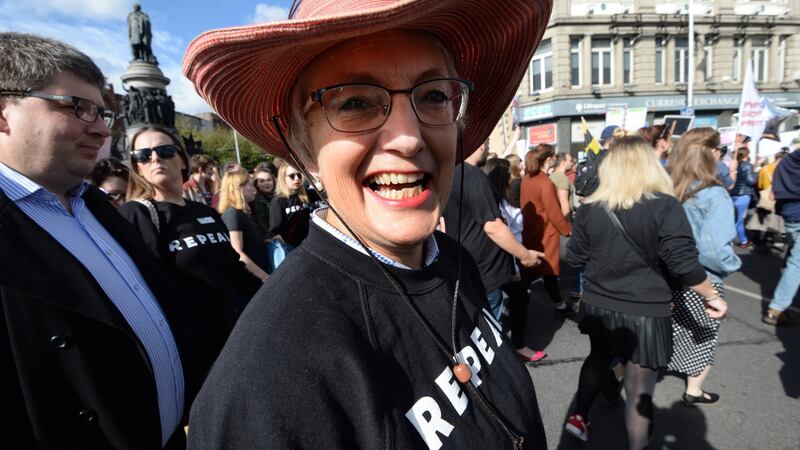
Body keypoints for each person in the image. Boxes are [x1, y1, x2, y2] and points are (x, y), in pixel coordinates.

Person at [183, 0, 552, 447]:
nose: (409, 137)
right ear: (303, 146)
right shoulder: (267, 384)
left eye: (434, 95)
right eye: (355, 101)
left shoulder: (452, 261)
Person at [0, 32, 196, 448]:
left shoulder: (96, 204)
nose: (100, 131)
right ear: (4, 113)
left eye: (103, 115)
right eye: (78, 109)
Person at [564, 136, 727, 449]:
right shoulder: (665, 206)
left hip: (599, 305)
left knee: (598, 357)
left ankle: (579, 416)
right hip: (646, 310)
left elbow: (574, 259)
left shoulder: (589, 209)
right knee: (639, 391)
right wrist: (712, 296)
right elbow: (683, 262)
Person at [119, 126, 262, 371]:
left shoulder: (205, 212)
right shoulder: (136, 214)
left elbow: (235, 271)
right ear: (137, 167)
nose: (154, 158)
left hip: (234, 339)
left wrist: (274, 291)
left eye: (164, 151)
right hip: (189, 353)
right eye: (143, 155)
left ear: (182, 160)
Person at [667, 128, 741, 405]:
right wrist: (734, 263)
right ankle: (694, 389)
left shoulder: (671, 189)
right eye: (719, 150)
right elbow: (715, 252)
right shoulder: (714, 194)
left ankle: (617, 374)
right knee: (704, 335)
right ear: (710, 153)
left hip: (671, 275)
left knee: (668, 332)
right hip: (703, 277)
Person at [482, 157, 547, 362]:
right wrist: (519, 262)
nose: (512, 176)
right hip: (503, 262)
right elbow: (500, 233)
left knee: (516, 299)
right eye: (509, 172)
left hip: (506, 261)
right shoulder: (492, 202)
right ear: (502, 176)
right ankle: (506, 354)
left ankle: (509, 348)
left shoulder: (499, 197)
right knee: (494, 310)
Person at [521, 144, 572, 311]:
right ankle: (559, 304)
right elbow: (554, 212)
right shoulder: (545, 182)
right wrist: (567, 229)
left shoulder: (527, 179)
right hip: (546, 232)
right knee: (548, 270)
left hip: (530, 230)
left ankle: (558, 304)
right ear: (549, 159)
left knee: (533, 268)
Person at [763, 145, 800, 326]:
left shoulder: (785, 163)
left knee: (794, 256)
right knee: (797, 262)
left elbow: (774, 191)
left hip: (790, 216)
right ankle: (776, 309)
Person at [218, 169, 269, 279]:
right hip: (250, 280)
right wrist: (264, 277)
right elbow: (238, 252)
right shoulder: (232, 214)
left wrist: (267, 242)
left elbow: (250, 243)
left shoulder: (245, 213)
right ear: (239, 188)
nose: (255, 190)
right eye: (251, 185)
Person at [269, 162, 311, 248]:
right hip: (291, 248)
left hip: (309, 245)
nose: (297, 178)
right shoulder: (278, 201)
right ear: (283, 178)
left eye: (299, 175)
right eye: (292, 176)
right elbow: (275, 229)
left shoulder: (307, 195)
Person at [729, 147, 757, 247]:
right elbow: (751, 181)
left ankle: (731, 239)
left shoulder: (733, 164)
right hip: (743, 195)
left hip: (732, 194)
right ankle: (743, 240)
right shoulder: (747, 166)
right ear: (746, 154)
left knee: (732, 218)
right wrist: (755, 174)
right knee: (739, 219)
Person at [251, 165, 276, 235]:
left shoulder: (279, 198)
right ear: (256, 184)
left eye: (269, 180)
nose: (266, 183)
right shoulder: (254, 201)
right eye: (262, 181)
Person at [549, 152, 574, 219]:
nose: (572, 163)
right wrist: (568, 222)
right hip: (562, 218)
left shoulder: (550, 176)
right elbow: (564, 202)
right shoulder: (563, 178)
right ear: (563, 162)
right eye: (570, 161)